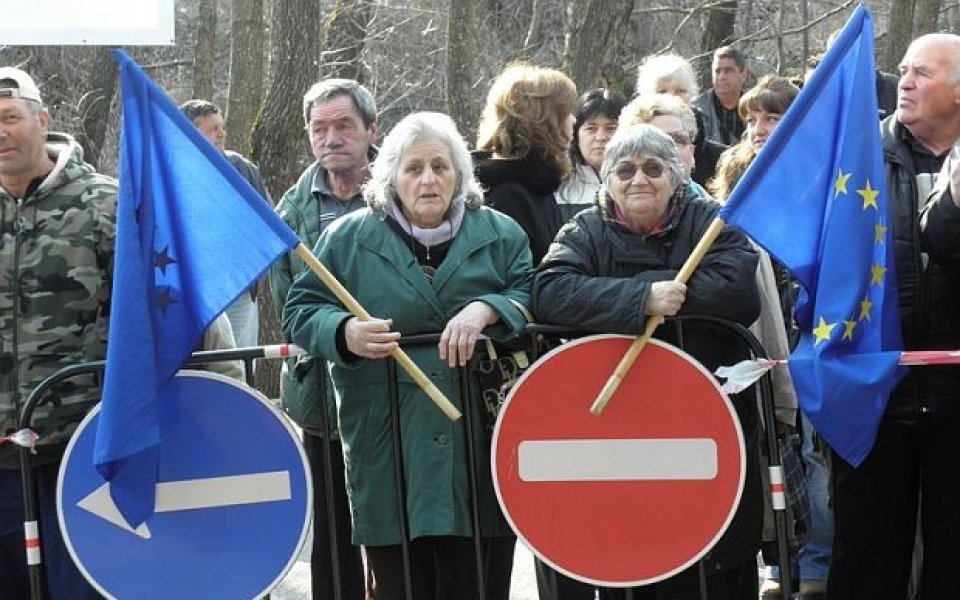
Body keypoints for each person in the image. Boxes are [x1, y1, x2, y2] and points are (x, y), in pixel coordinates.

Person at [282, 111, 533, 600]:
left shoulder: (500, 235)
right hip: (386, 437)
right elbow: (302, 308)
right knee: (398, 583)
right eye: (414, 168)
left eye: (441, 166)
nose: (428, 179)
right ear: (391, 177)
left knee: (477, 579)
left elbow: (532, 289)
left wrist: (487, 309)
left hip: (476, 440)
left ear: (460, 175)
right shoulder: (348, 238)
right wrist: (345, 331)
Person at [533, 124, 763, 599]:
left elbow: (738, 289)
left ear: (676, 177)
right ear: (607, 180)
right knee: (634, 554)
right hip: (622, 426)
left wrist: (657, 295)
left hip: (706, 419)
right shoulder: (583, 230)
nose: (639, 179)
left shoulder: (712, 221)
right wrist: (644, 297)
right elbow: (551, 291)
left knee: (714, 560)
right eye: (625, 170)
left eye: (653, 169)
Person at [827, 33, 960, 600]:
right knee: (867, 556)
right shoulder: (859, 158)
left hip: (957, 398)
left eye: (922, 73)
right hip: (877, 392)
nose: (903, 82)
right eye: (902, 70)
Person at [0, 67, 116, 599]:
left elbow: (150, 321)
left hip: (80, 452)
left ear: (43, 120)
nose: (1, 132)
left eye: (9, 118)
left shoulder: (105, 205)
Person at [708, 75, 818, 599]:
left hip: (806, 319)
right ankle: (778, 563)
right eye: (751, 118)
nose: (758, 129)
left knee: (810, 452)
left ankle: (812, 563)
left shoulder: (816, 174)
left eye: (772, 118)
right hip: (759, 327)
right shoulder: (735, 173)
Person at [269, 78, 378, 600]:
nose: (331, 138)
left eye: (343, 126)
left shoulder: (399, 187)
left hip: (394, 390)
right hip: (320, 397)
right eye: (320, 128)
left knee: (390, 527)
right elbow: (288, 307)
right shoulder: (289, 213)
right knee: (333, 529)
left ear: (370, 131)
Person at [180, 99, 271, 349]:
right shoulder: (173, 176)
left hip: (238, 289)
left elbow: (267, 222)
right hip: (190, 295)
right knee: (199, 367)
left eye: (222, 127)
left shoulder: (242, 169)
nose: (222, 134)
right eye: (212, 129)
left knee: (238, 365)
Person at [474, 63, 578, 264]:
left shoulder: (538, 185)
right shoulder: (506, 195)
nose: (573, 120)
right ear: (544, 120)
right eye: (565, 112)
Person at [635, 53, 728, 187]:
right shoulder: (627, 153)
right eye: (661, 91)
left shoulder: (721, 159)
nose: (672, 97)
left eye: (680, 91)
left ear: (692, 96)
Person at [555, 88, 627, 220]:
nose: (600, 137)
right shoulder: (558, 184)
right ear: (576, 135)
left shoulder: (642, 180)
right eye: (591, 129)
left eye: (611, 128)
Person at [693, 46, 749, 146]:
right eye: (717, 71)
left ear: (743, 74)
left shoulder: (755, 110)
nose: (722, 77)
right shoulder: (696, 110)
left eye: (728, 71)